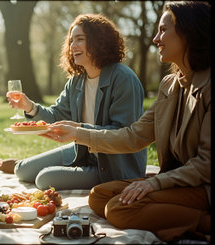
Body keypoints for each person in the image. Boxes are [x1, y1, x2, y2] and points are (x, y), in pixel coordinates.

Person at [44, 2, 210, 242]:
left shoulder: (208, 86)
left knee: (118, 210)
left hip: (201, 187)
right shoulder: (170, 85)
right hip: (175, 181)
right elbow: (133, 137)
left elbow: (206, 165)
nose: (156, 38)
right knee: (98, 196)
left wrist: (156, 184)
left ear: (189, 33)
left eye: (163, 30)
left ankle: (203, 222)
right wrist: (78, 133)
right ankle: (179, 216)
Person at [2, 13, 147, 190]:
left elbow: (123, 133)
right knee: (22, 171)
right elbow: (56, 116)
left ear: (99, 41)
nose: (72, 46)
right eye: (71, 40)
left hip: (113, 165)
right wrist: (29, 106)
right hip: (82, 151)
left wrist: (78, 131)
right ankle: (27, 164)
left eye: (80, 39)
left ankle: (71, 171)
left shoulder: (123, 79)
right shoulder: (77, 81)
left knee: (44, 179)